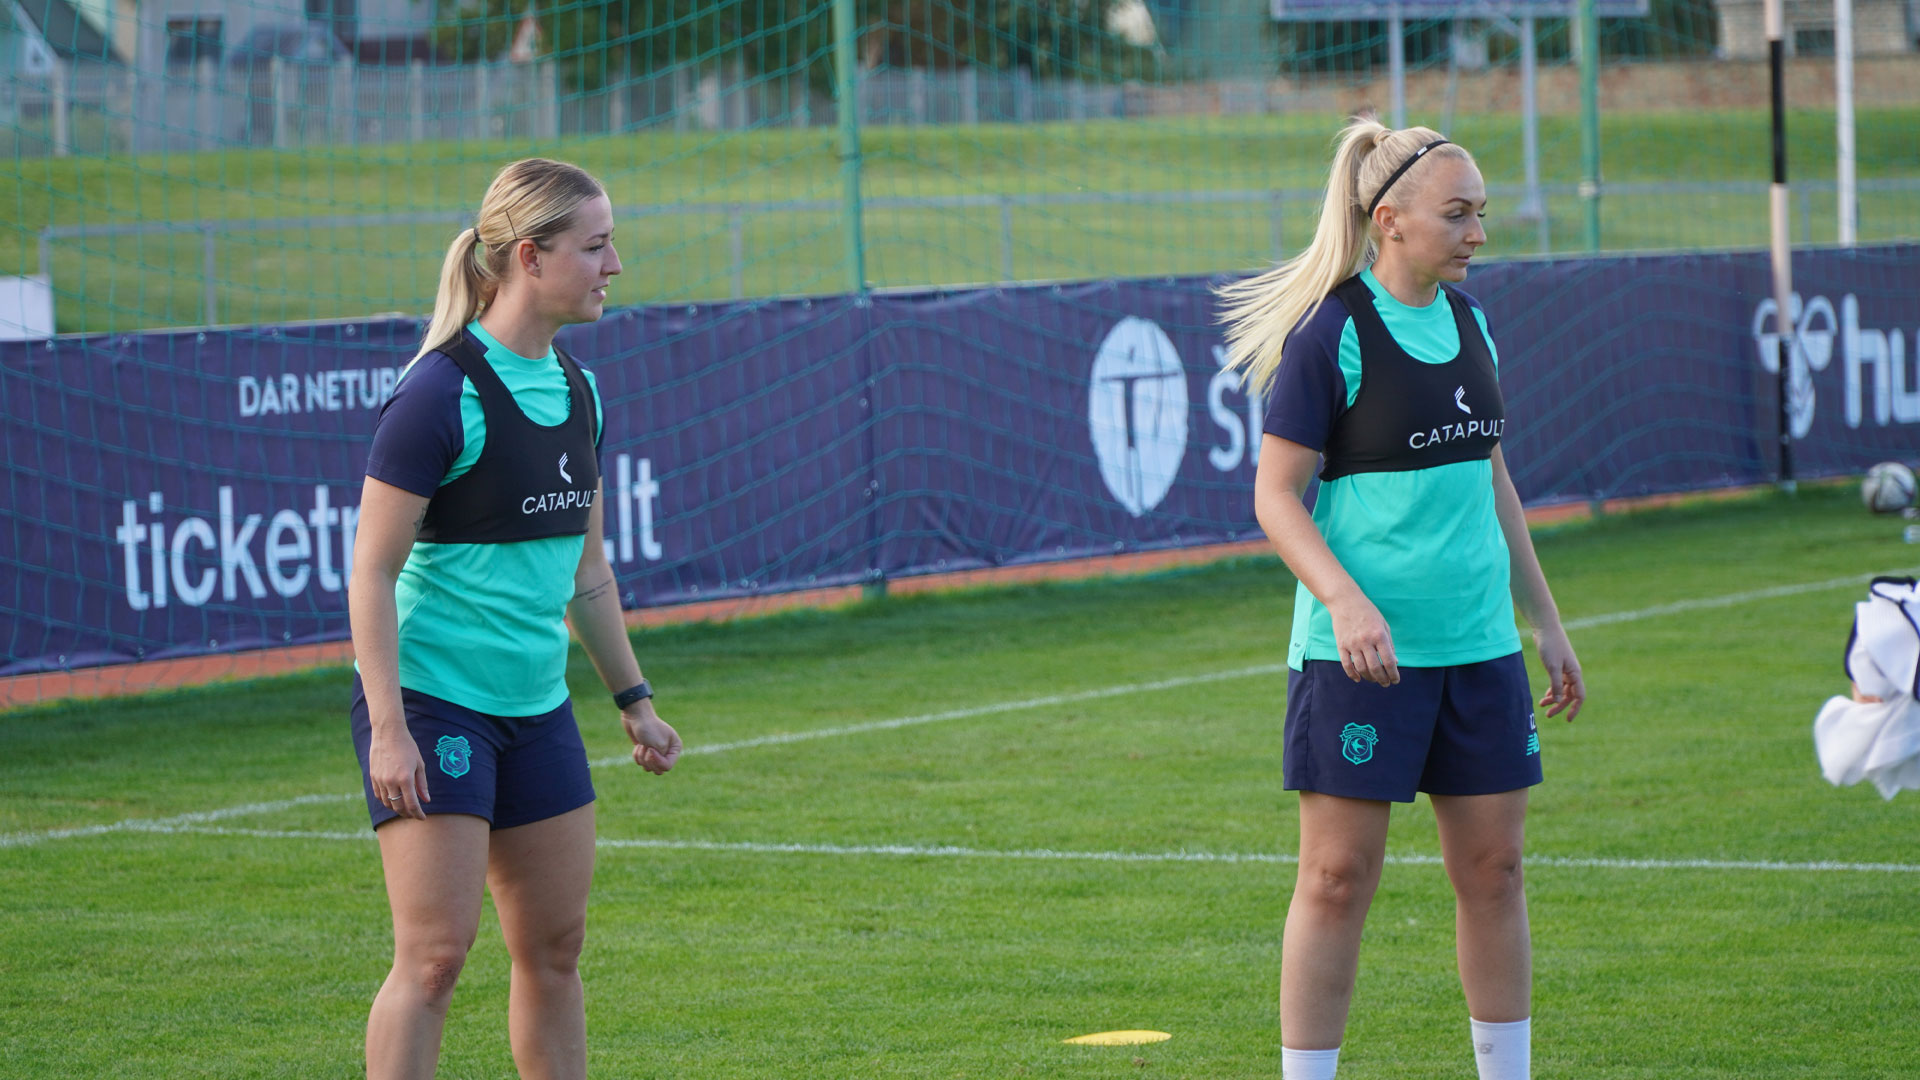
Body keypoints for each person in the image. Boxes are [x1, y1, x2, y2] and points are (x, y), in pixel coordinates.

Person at [1217, 117, 1586, 1080]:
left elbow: (1492, 477)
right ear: (1391, 220)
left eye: (1482, 215)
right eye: (1458, 215)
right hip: (1362, 659)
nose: (1478, 233)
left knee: (1495, 874)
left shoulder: (1472, 323)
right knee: (1337, 881)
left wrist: (1544, 620)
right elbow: (1272, 496)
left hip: (1477, 649)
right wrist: (1345, 602)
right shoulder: (1332, 331)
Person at [347, 157, 683, 1080]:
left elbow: (588, 573)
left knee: (555, 951)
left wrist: (634, 699)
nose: (614, 265)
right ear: (530, 258)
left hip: (536, 713)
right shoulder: (436, 393)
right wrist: (389, 729)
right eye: (597, 245)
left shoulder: (582, 392)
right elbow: (370, 573)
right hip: (434, 704)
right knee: (433, 960)